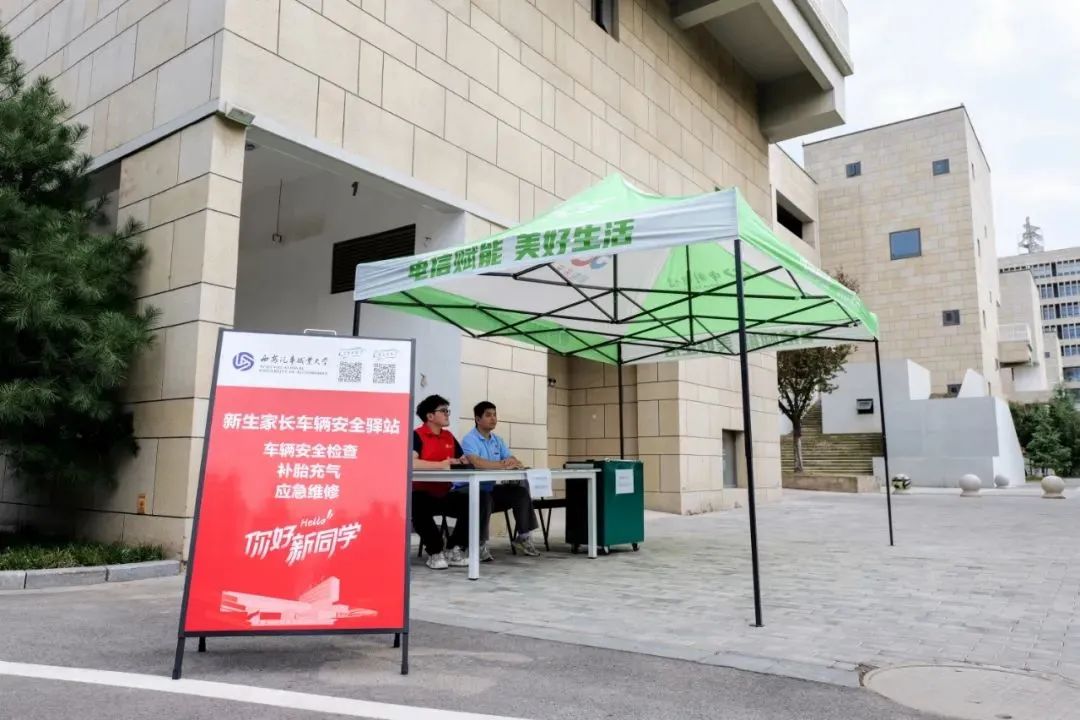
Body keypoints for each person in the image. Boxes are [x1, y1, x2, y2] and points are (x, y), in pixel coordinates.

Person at [460, 401, 541, 560]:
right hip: (468, 489)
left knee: (520, 493)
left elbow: (512, 459)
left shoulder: (498, 440)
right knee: (485, 498)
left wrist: (512, 461)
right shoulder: (469, 439)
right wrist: (503, 464)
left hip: (489, 488)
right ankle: (479, 544)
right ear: (478, 419)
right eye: (488, 415)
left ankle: (523, 537)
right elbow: (476, 463)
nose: (493, 418)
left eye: (495, 415)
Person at [412, 394, 470, 570]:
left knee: (475, 501)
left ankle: (455, 548)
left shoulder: (449, 436)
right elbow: (412, 462)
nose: (447, 414)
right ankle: (435, 551)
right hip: (421, 493)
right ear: (430, 416)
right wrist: (442, 464)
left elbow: (463, 459)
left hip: (445, 492)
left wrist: (460, 461)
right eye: (443, 411)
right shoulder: (416, 435)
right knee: (417, 504)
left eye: (447, 410)